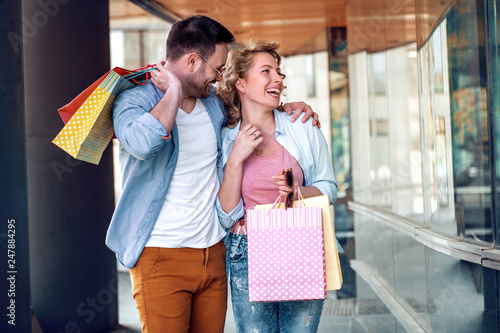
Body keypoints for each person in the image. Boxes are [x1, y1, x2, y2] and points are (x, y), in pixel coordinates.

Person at [106, 15, 319, 333]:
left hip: (214, 254)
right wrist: (173, 92)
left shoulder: (213, 105)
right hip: (161, 256)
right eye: (218, 68)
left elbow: (254, 102)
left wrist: (291, 108)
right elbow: (142, 143)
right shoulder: (134, 99)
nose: (220, 78)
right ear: (192, 60)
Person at [215, 40, 340, 333]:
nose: (278, 78)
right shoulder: (225, 138)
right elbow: (225, 214)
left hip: (302, 242)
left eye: (279, 72)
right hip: (246, 248)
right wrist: (235, 158)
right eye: (266, 71)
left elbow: (329, 187)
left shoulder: (303, 126)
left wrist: (298, 190)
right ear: (241, 84)